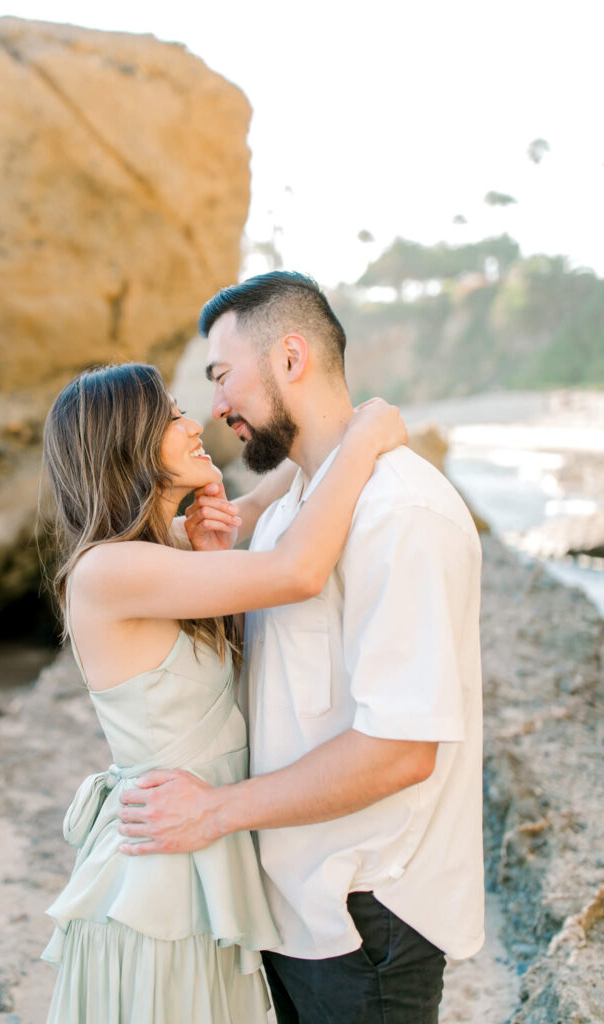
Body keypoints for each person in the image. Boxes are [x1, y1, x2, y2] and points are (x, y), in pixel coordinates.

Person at [117, 272, 486, 1024]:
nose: (217, 407)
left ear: (291, 360)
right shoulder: (294, 508)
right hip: (289, 900)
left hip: (365, 913)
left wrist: (215, 811)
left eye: (223, 377)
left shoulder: (400, 514)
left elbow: (401, 750)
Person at [38, 361, 407, 1024]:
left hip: (197, 851)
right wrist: (364, 439)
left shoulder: (166, 552)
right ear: (128, 442)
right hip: (158, 886)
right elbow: (296, 572)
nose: (192, 423)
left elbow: (253, 519)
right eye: (172, 415)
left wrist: (306, 456)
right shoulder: (108, 571)